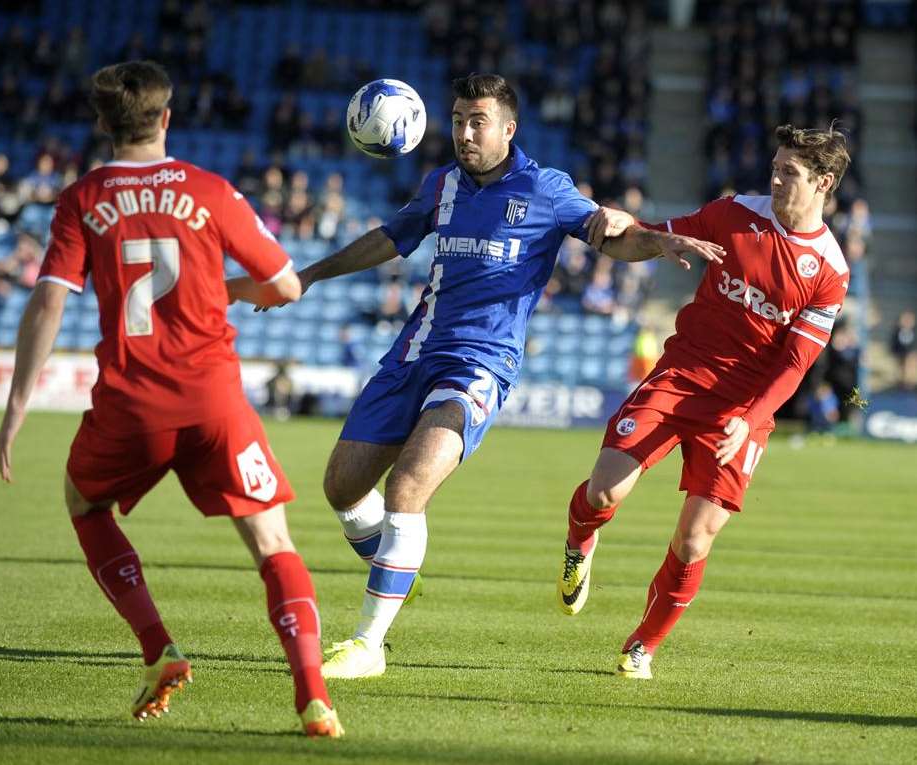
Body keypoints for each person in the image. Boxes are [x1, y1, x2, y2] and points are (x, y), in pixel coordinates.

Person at [234, 73, 722, 679]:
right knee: (340, 488)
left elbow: (607, 236)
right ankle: (395, 571)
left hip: (480, 364)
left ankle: (367, 644)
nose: (465, 133)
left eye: (478, 122)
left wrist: (651, 240)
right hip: (414, 351)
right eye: (460, 119)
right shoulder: (441, 183)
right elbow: (390, 239)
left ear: (508, 129)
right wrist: (307, 277)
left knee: (408, 486)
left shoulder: (545, 189)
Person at [0, 60, 343, 738]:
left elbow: (47, 302)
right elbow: (286, 285)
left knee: (83, 501)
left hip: (131, 405)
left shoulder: (82, 199)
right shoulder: (210, 190)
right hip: (215, 399)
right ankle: (313, 695)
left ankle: (159, 647)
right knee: (272, 541)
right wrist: (230, 291)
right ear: (166, 118)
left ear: (103, 124)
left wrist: (16, 407)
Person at [558, 124, 851, 679]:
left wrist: (752, 420)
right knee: (603, 490)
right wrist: (625, 226)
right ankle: (579, 542)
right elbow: (657, 239)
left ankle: (641, 646)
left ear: (824, 182)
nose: (775, 177)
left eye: (790, 172)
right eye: (776, 165)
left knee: (693, 541)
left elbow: (795, 365)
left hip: (743, 411)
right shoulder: (734, 213)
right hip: (682, 375)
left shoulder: (830, 272)